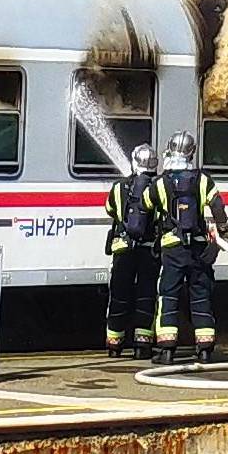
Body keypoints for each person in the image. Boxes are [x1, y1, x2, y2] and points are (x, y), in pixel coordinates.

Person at [148, 130, 228, 356]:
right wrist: (223, 232)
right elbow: (218, 208)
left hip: (172, 248)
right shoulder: (203, 180)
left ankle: (167, 351)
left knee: (168, 295)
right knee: (200, 294)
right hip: (198, 248)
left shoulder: (160, 182)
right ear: (192, 152)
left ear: (170, 149)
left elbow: (146, 205)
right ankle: (205, 350)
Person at [103, 153, 159, 359]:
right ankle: (142, 346)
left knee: (119, 295)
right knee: (146, 295)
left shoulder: (119, 187)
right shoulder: (157, 186)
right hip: (149, 250)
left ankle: (114, 345)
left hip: (122, 249)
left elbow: (110, 209)